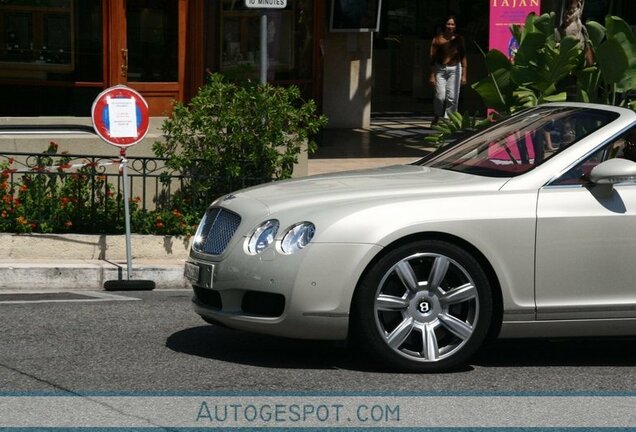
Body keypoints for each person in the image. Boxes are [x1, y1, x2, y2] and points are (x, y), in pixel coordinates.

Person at [429, 15, 467, 124]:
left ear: (455, 26)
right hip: (440, 69)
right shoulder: (437, 39)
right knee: (439, 96)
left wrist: (464, 75)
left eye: (452, 24)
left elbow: (463, 56)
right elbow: (432, 58)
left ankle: (448, 120)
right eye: (448, 24)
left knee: (453, 97)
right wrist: (432, 75)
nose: (450, 26)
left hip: (455, 69)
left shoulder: (459, 39)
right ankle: (437, 114)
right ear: (444, 25)